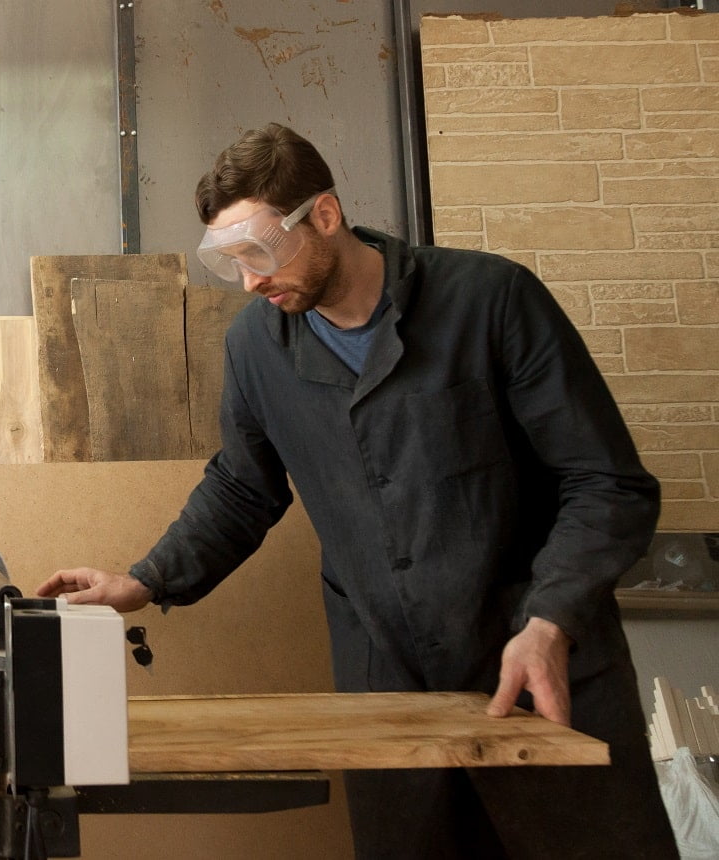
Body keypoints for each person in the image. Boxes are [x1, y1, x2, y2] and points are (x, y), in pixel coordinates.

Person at [36, 123, 678, 858]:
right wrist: (144, 581)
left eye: (261, 251)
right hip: (389, 684)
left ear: (326, 216)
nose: (249, 280)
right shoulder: (256, 348)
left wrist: (551, 620)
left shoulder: (489, 300)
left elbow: (608, 484)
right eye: (230, 261)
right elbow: (244, 488)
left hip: (535, 659)